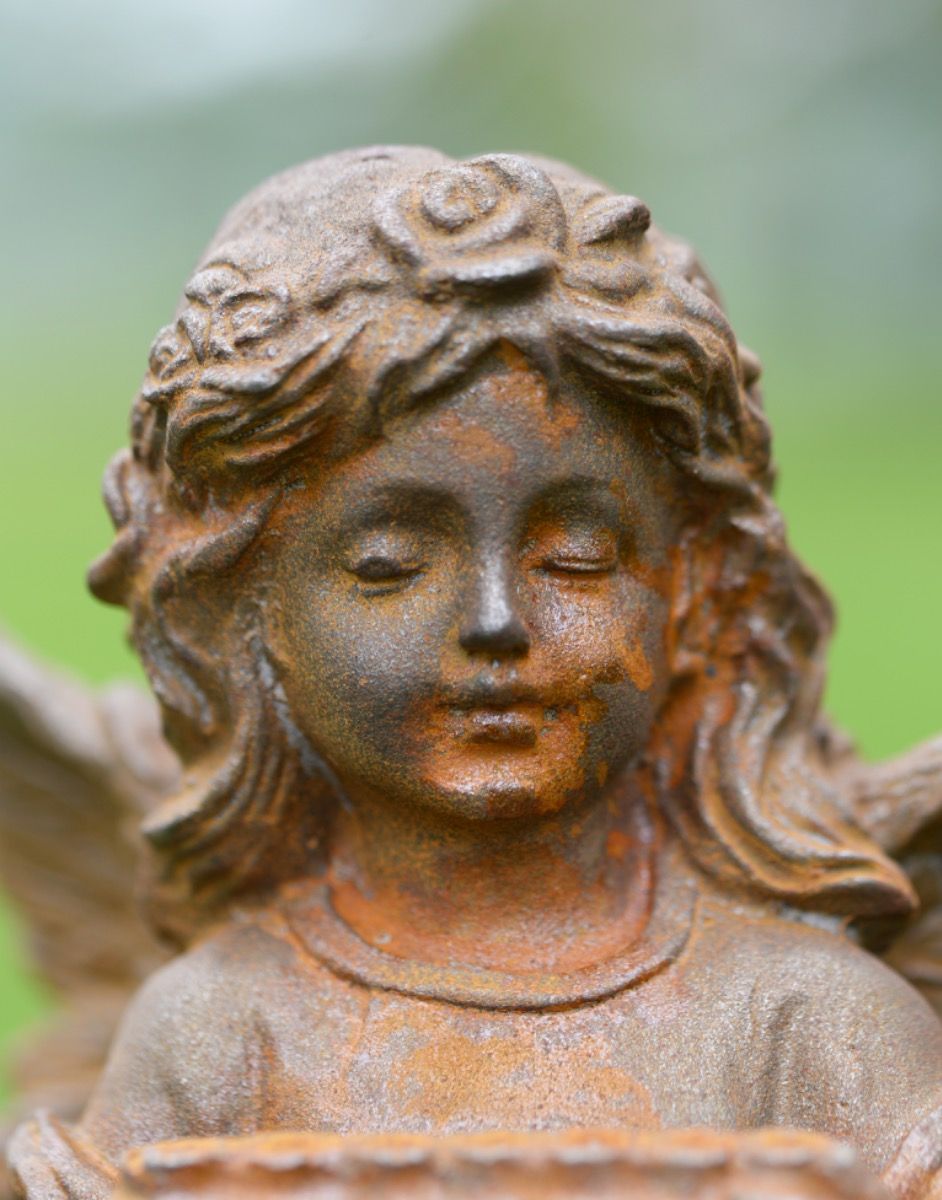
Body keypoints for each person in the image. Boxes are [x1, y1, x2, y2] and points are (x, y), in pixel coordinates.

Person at [9, 147, 942, 1199]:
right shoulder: (221, 1031)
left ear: (695, 589)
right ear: (245, 614)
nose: (498, 623)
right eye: (388, 564)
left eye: (578, 557)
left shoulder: (806, 1023)